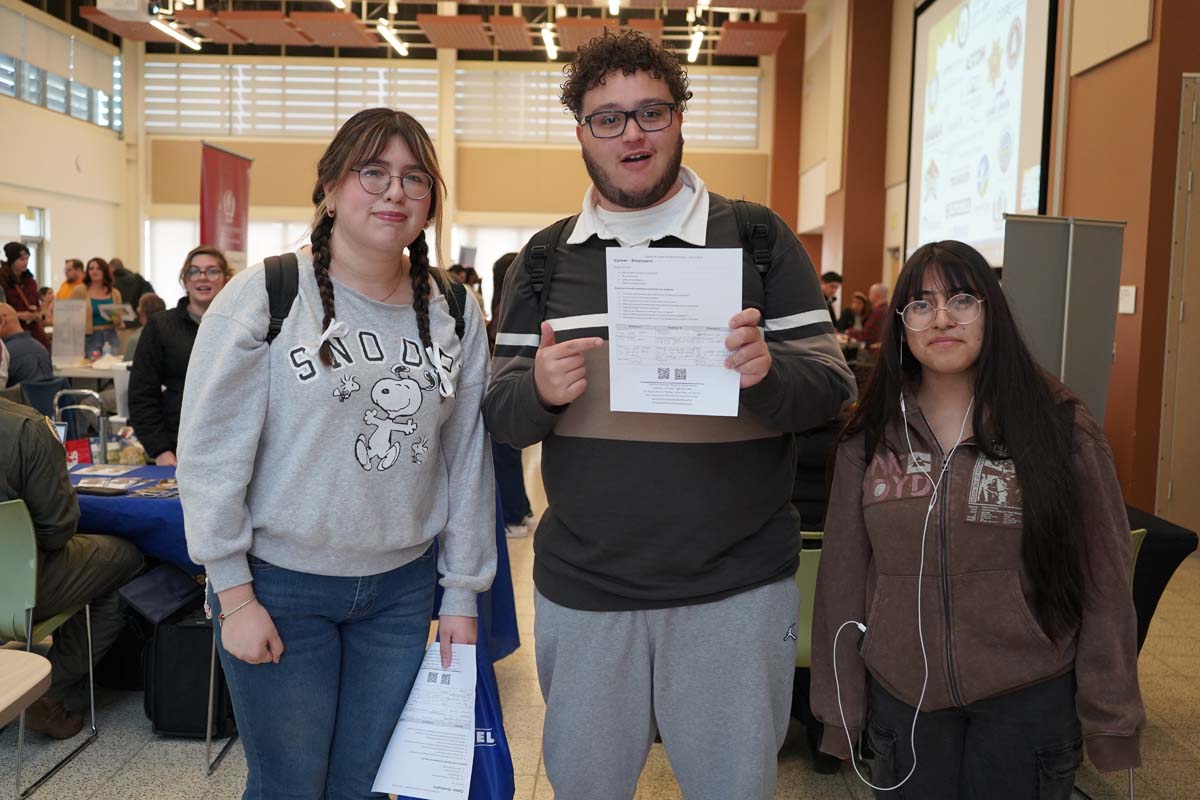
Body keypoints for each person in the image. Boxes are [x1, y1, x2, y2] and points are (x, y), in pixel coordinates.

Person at [484, 31, 855, 800]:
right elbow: (500, 412)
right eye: (608, 118)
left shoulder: (756, 238)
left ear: (680, 119)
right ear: (581, 133)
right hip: (586, 587)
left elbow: (828, 388)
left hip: (735, 587)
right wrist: (542, 392)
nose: (632, 134)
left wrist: (766, 374)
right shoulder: (547, 259)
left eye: (650, 112)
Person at [177, 107, 496, 798]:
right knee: (291, 783)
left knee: (365, 783)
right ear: (329, 189)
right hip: (280, 585)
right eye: (372, 172)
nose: (395, 192)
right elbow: (209, 455)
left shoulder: (455, 311)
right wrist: (234, 594)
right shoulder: (266, 294)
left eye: (415, 178)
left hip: (402, 592)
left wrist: (462, 592)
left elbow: (466, 458)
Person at [810, 241, 1144, 799]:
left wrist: (1110, 716)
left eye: (961, 299)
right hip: (905, 698)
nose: (941, 317)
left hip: (1028, 694)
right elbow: (841, 583)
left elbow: (1106, 578)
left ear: (992, 311)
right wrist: (840, 709)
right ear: (901, 325)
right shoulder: (869, 438)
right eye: (920, 304)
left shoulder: (1057, 426)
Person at [0, 396, 144, 738]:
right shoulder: (28, 428)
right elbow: (56, 529)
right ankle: (44, 693)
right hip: (14, 587)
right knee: (125, 559)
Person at [129, 250, 230, 467]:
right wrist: (160, 450)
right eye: (194, 271)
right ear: (185, 279)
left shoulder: (243, 325)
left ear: (225, 278)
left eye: (212, 271)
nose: (203, 277)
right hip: (177, 447)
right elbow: (142, 393)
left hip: (232, 445)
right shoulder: (161, 326)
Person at [487, 252, 535, 538]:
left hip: (501, 391)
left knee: (504, 456)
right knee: (509, 456)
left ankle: (515, 517)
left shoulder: (506, 307)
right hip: (511, 391)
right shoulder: (513, 305)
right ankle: (522, 510)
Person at [69, 257, 124, 357]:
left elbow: (118, 320)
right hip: (90, 337)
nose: (95, 271)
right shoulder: (79, 291)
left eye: (98, 268)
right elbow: (71, 318)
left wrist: (112, 316)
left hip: (111, 335)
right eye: (91, 268)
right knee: (93, 369)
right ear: (87, 272)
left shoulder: (114, 293)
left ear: (105, 271)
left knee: (111, 369)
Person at [1, 242, 50, 348]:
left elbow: (37, 306)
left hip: (34, 334)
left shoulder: (30, 281)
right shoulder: (2, 281)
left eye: (27, 259)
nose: (25, 262)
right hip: (12, 334)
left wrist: (37, 314)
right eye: (21, 259)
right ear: (12, 260)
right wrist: (19, 315)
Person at [1, 302, 53, 386]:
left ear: (1, 321)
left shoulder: (5, 353)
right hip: (51, 398)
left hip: (17, 399)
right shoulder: (41, 349)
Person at [109, 257, 155, 331]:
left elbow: (110, 310)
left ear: (110, 268)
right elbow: (152, 300)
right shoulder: (139, 279)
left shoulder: (111, 284)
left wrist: (113, 319)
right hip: (139, 325)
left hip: (120, 326)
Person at [122, 292, 166, 363]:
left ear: (141, 312)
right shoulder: (171, 334)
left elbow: (125, 366)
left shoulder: (136, 339)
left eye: (139, 306)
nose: (137, 309)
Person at [848, 282, 889, 348]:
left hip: (872, 351)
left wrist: (849, 331)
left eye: (870, 294)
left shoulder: (878, 312)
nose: (869, 296)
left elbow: (865, 335)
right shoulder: (888, 310)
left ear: (876, 295)